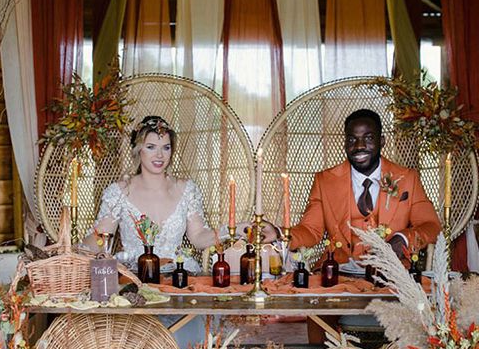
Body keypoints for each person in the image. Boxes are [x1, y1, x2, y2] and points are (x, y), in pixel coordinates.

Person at [264, 108, 441, 264]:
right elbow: (311, 230)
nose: (359, 146)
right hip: (338, 273)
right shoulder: (325, 181)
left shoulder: (407, 178)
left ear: (382, 141)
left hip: (392, 274)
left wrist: (403, 239)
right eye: (352, 140)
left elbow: (431, 226)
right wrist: (280, 233)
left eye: (368, 138)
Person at [85, 116, 221, 272]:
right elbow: (100, 239)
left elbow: (198, 237)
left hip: (179, 276)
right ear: (138, 150)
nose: (160, 155)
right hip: (135, 277)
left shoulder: (186, 190)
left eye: (166, 147)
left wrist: (231, 230)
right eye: (151, 147)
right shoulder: (119, 192)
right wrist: (72, 249)